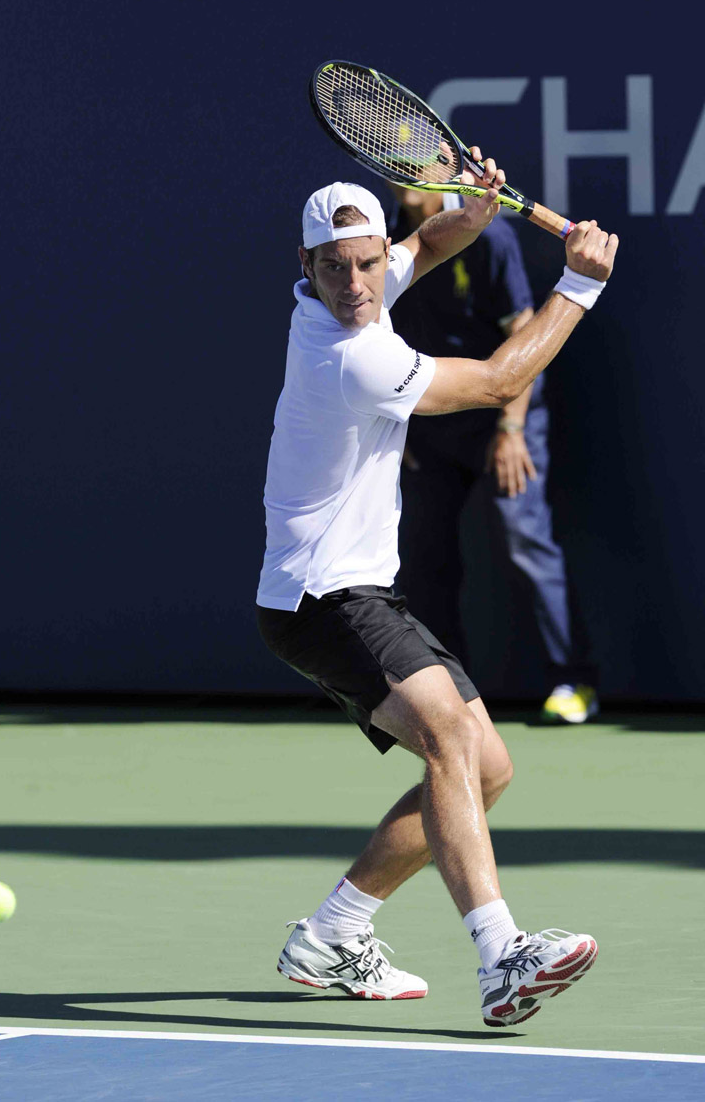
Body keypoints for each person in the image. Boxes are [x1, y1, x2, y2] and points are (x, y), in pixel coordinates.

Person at [255, 159, 617, 1027]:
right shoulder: (354, 354)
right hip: (321, 600)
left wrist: (474, 208)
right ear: (306, 267)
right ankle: (502, 955)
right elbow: (498, 382)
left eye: (366, 263)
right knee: (452, 737)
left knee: (485, 769)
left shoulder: (359, 287)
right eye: (334, 267)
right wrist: (579, 285)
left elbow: (423, 244)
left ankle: (333, 931)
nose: (355, 283)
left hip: (358, 594)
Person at [387, 185, 598, 725]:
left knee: (524, 540)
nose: (406, 173)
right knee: (425, 558)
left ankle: (572, 679)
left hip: (503, 412)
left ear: (444, 163)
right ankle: (450, 694)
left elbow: (523, 333)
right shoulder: (390, 239)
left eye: (418, 158)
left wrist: (511, 428)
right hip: (431, 419)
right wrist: (396, 429)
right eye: (396, 161)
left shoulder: (491, 237)